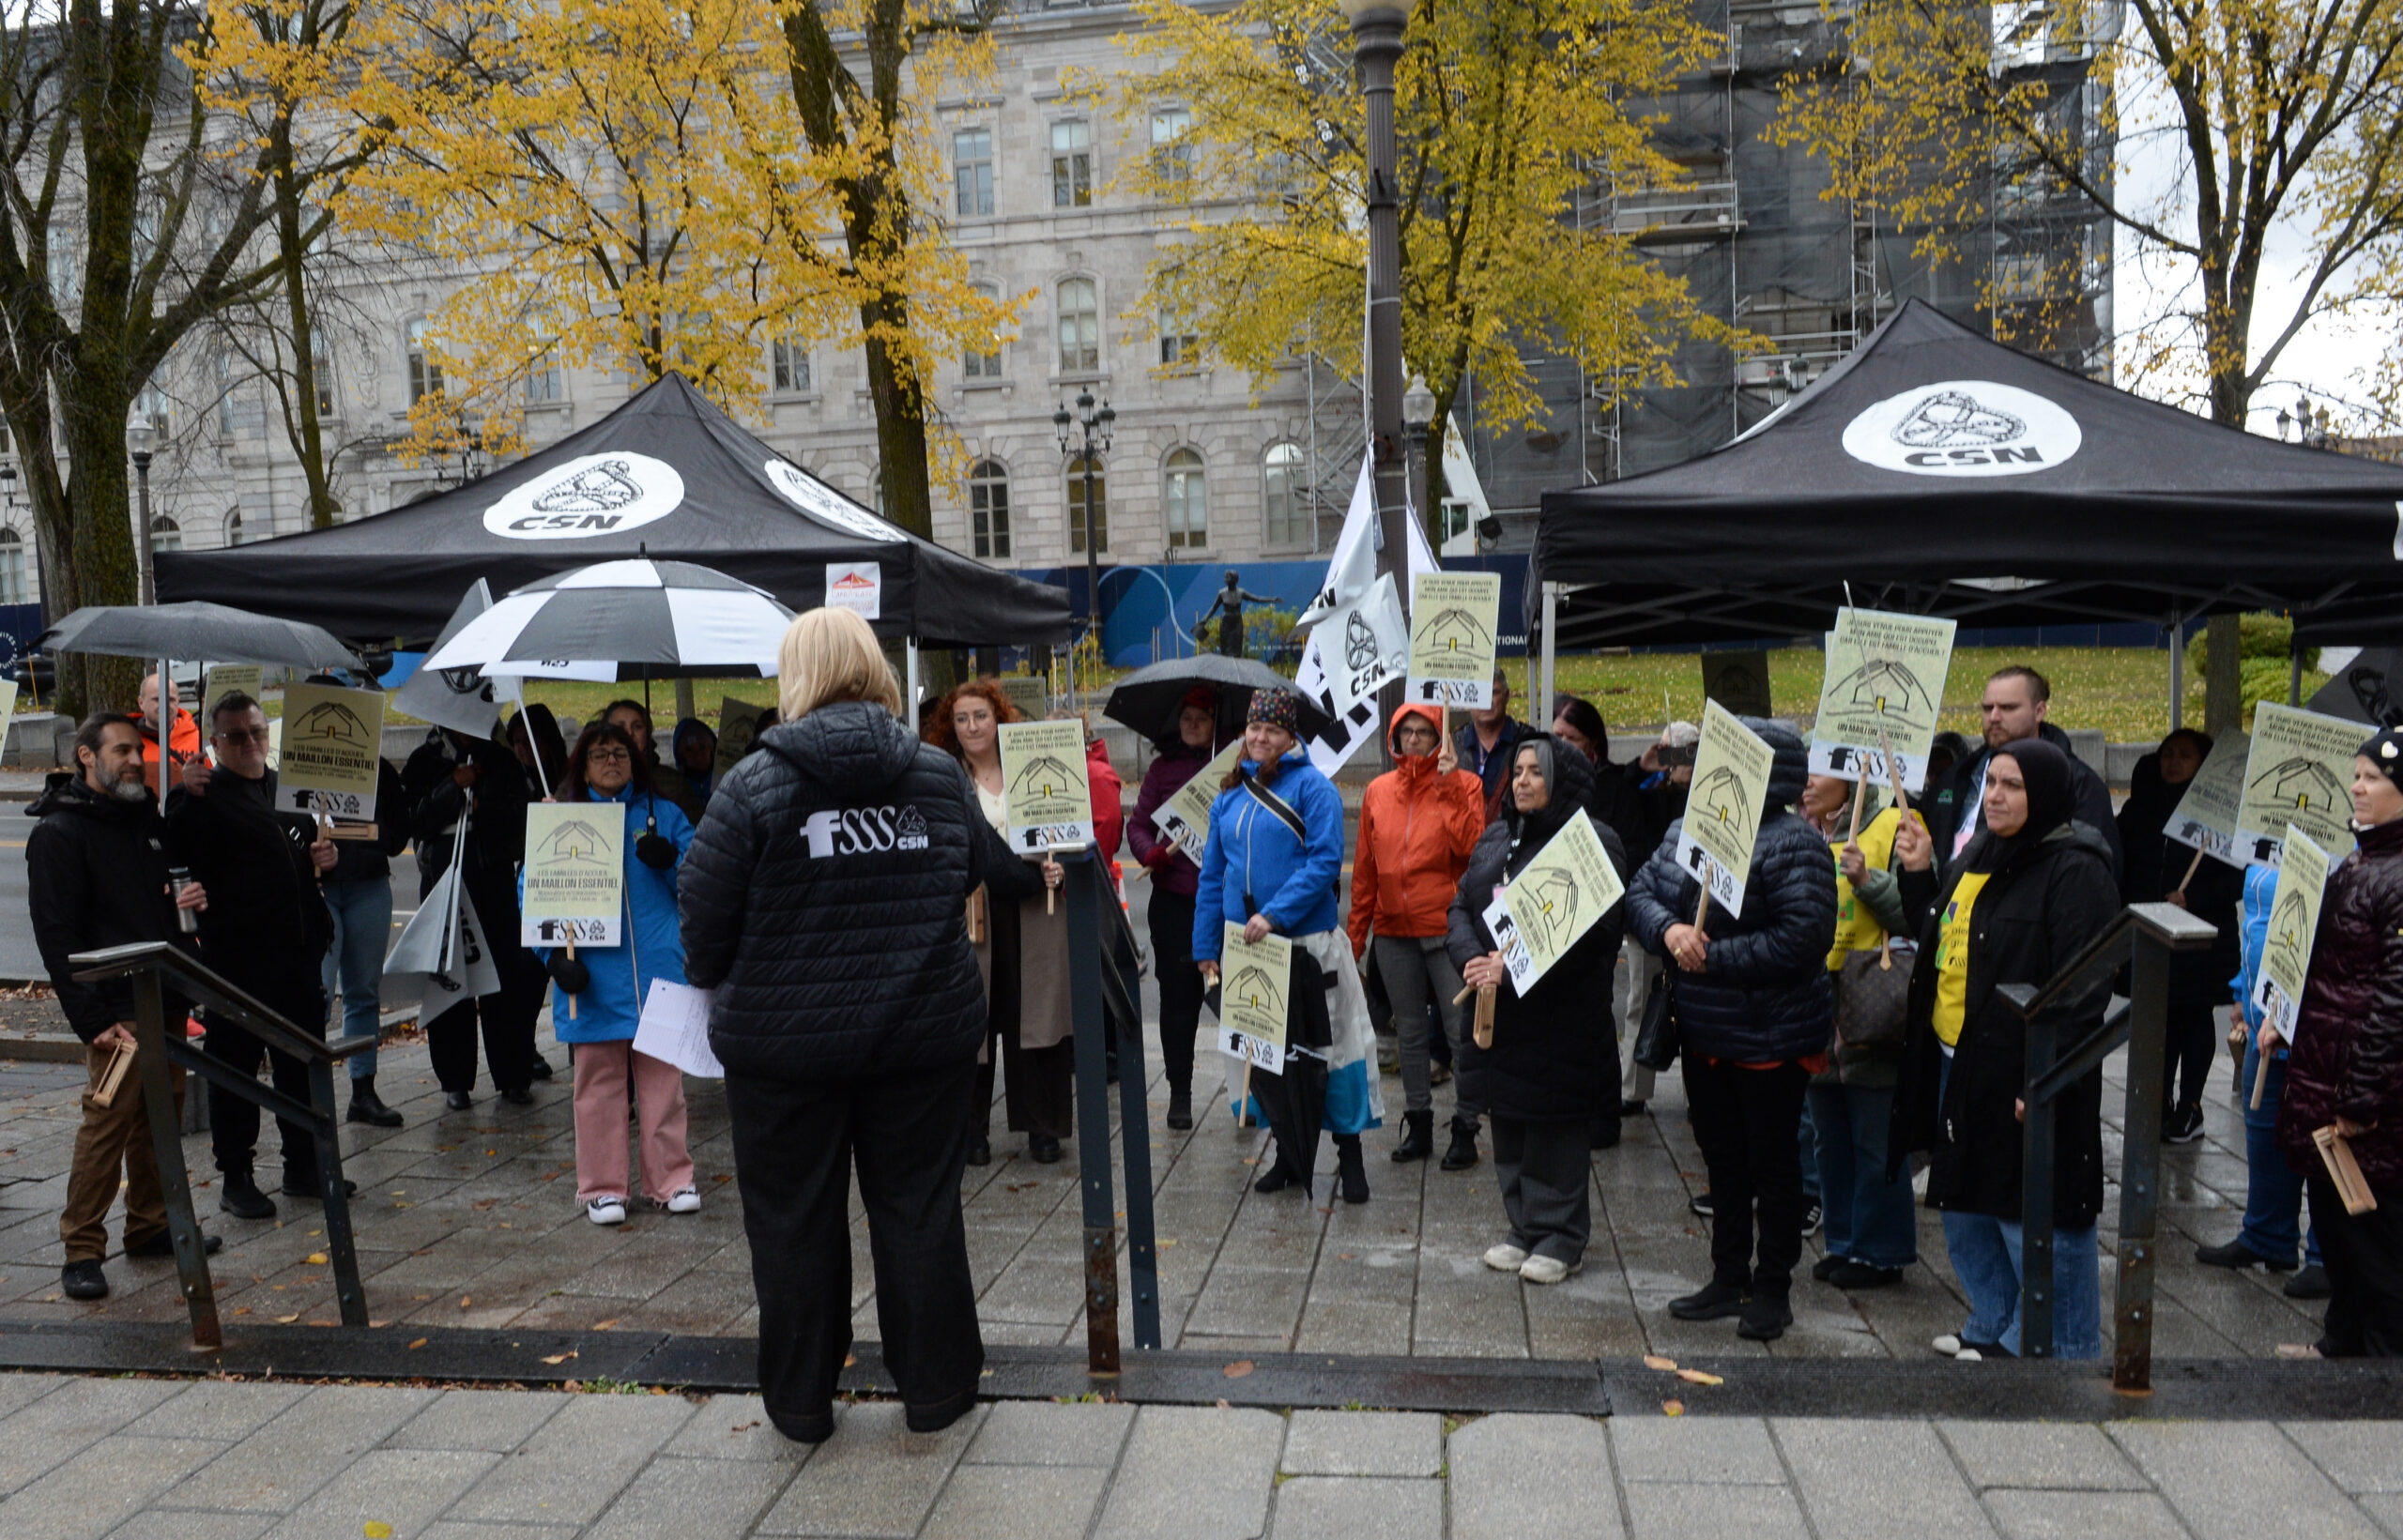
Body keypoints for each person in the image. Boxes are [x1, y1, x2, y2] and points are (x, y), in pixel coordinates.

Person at [680, 606, 993, 1442]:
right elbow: (972, 867)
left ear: (796, 677)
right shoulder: (936, 775)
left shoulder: (750, 787)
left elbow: (703, 928)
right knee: (921, 1212)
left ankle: (801, 1401)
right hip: (922, 1040)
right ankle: (936, 1390)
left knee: (791, 1224)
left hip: (787, 1055)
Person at [1891, 738, 2119, 1361]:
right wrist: (1918, 876)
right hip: (1958, 1057)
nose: (1995, 795)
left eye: (2013, 786)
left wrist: (2048, 1075)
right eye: (1991, 782)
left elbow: (2086, 985)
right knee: (1966, 1203)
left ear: (2044, 794)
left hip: (2025, 1068)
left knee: (2037, 1214)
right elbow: (1938, 937)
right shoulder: (1979, 855)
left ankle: (2060, 1343)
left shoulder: (2077, 868)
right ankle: (1996, 1322)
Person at [1627, 718, 1835, 1342]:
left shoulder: (1795, 842)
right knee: (1721, 1160)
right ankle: (1727, 1274)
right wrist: (1670, 931)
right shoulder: (1690, 829)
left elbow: (1803, 939)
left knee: (1772, 1164)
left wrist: (1711, 955)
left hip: (1772, 1037)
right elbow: (1641, 890)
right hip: (1705, 1033)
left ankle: (1773, 1286)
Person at [28, 714, 221, 1301]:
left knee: (158, 1117)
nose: (136, 759)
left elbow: (164, 908)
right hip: (115, 1009)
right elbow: (56, 936)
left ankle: (150, 1224)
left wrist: (189, 900)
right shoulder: (60, 833)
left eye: (138, 749)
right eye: (121, 750)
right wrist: (90, 1019)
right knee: (107, 1122)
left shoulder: (148, 823)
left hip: (162, 997)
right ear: (87, 757)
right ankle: (81, 1250)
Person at [1449, 736, 1630, 1284]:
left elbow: (1598, 931)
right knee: (1509, 1122)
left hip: (1560, 1018)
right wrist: (1473, 960)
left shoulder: (1592, 843)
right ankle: (1523, 1226)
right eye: (1519, 770)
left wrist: (1517, 966)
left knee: (1554, 1127)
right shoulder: (1496, 837)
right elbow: (1461, 905)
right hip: (1498, 1016)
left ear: (1563, 780)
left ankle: (1561, 1236)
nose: (1523, 780)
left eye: (1536, 771)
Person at [1196, 688, 1385, 1202]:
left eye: (1272, 731)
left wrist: (1275, 914)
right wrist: (1205, 945)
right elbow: (1213, 877)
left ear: (1290, 736)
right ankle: (1286, 1153)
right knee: (1267, 1058)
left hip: (1307, 946)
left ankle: (1350, 1158)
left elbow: (1324, 863)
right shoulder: (1228, 797)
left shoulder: (1314, 789)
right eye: (1254, 729)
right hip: (1248, 950)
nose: (1261, 738)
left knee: (1331, 1054)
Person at [169, 692, 341, 1221]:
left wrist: (325, 856)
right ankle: (236, 1176)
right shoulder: (201, 794)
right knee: (235, 1068)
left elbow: (308, 852)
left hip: (297, 953)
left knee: (300, 1063)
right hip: (238, 960)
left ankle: (303, 1165)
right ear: (215, 742)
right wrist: (182, 792)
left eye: (258, 732)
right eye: (236, 735)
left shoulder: (287, 788)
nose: (250, 743)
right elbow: (171, 848)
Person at [534, 722, 700, 1225]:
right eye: (601, 754)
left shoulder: (664, 815)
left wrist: (671, 861)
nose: (612, 761)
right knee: (597, 1084)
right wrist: (553, 959)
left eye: (621, 753)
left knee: (663, 1085)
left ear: (637, 760)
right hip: (593, 977)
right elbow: (532, 893)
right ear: (581, 764)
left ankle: (671, 1181)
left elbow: (701, 879)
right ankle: (602, 1187)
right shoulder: (559, 819)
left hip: (658, 973)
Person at [2273, 729, 2403, 1356]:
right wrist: (2279, 1009)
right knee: (2339, 1229)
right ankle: (2340, 1344)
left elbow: (2395, 1003)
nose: (2357, 786)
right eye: (2355, 775)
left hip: (2369, 1107)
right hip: (2328, 1081)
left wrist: (2359, 1097)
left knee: (2377, 1245)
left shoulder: (2395, 876)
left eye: (2374, 779)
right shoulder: (2360, 860)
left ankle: (2382, 1376)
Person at [924, 680, 1064, 1164]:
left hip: (1033, 906)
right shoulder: (945, 778)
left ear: (998, 717)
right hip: (971, 909)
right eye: (961, 719)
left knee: (1034, 1019)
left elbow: (1065, 827)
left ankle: (1042, 1128)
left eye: (980, 716)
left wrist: (1057, 863)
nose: (971, 727)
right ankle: (971, 1131)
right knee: (971, 1021)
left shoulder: (1029, 769)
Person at [1798, 770, 1929, 1290]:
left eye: (1817, 774)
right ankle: (1845, 1241)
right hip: (1818, 999)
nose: (1805, 784)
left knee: (1874, 1132)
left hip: (1872, 997)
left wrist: (1866, 881)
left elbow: (1920, 913)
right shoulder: (1806, 832)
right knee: (1829, 1134)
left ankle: (1881, 1251)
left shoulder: (1898, 822)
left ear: (1851, 780)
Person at [1347, 704, 1485, 1166]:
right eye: (1405, 731)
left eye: (1423, 731)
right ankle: (1420, 1122)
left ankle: (1465, 1126)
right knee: (1408, 1035)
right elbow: (1365, 870)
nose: (1413, 739)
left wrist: (1448, 787)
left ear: (1439, 736)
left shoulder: (1467, 785)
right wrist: (1355, 937)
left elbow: (1471, 847)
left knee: (1459, 1033)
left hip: (1445, 929)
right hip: (1393, 932)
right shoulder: (1378, 791)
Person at [2194, 861, 2326, 1295]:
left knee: (2322, 1142)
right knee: (2264, 1129)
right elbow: (2257, 925)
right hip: (2264, 1018)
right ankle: (2267, 1234)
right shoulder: (2264, 840)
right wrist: (2241, 993)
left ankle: (2328, 1256)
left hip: (2320, 1023)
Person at [400, 722, 547, 1109]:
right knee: (450, 980)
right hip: (443, 882)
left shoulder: (500, 761)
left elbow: (523, 819)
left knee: (503, 979)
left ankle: (513, 1076)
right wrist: (453, 786)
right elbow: (412, 820)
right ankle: (455, 1080)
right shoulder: (423, 761)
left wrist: (481, 806)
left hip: (492, 882)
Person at [292, 675, 414, 1128]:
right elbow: (280, 826)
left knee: (363, 991)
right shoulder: (295, 766)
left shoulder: (379, 769)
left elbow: (399, 832)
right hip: (318, 893)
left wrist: (366, 840)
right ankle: (309, 1093)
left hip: (367, 889)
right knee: (317, 995)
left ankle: (363, 1090)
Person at [2115, 727, 2241, 1142]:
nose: (2172, 761)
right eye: (2168, 753)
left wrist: (2194, 897)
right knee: (2159, 1017)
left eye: (2185, 755)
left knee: (2194, 1017)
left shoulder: (2220, 817)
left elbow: (2238, 878)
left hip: (2201, 939)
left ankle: (2190, 1104)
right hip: (2151, 931)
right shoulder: (2139, 809)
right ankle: (2159, 1099)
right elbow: (2122, 863)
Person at [1922, 665, 2120, 877]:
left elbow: (2097, 873)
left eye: (2007, 708)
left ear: (2039, 711)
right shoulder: (1958, 775)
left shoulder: (2079, 783)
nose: (1994, 717)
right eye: (1987, 708)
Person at [1126, 688, 1220, 1129]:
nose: (1194, 725)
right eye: (1188, 718)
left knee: (1240, 1000)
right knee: (1178, 1002)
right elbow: (1139, 824)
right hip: (1176, 904)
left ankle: (1256, 1092)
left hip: (1227, 905)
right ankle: (1179, 1091)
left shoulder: (1236, 768)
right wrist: (1150, 854)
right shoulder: (1163, 770)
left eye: (1203, 718)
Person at [1619, 721, 1697, 1120]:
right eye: (1664, 750)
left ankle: (1694, 1096)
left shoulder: (1699, 796)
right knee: (1640, 1000)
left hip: (1691, 920)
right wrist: (1643, 768)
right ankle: (1634, 1090)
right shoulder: (1646, 792)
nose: (1669, 760)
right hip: (1649, 919)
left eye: (1677, 752)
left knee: (1693, 1008)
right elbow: (1617, 800)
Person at [604, 698, 700, 823]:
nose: (629, 733)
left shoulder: (674, 783)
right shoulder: (592, 779)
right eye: (620, 727)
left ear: (647, 733)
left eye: (637, 727)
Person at [1451, 671, 1527, 819]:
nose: (1486, 701)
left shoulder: (1527, 740)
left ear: (1507, 696)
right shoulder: (1452, 745)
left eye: (1493, 693)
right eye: (1478, 692)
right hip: (1464, 836)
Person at [136, 671, 201, 796]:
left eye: (170, 699)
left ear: (178, 702)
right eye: (157, 699)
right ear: (141, 703)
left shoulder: (198, 738)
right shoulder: (128, 742)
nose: (164, 705)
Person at [1199, 570, 1275, 658]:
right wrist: (1204, 620)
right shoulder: (1222, 593)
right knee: (1225, 648)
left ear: (1234, 579)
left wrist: (1272, 599)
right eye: (1225, 577)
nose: (1225, 579)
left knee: (1237, 646)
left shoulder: (1241, 592)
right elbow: (1214, 608)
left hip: (1237, 622)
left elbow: (1257, 599)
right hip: (1226, 623)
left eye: (1228, 577)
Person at [671, 717, 719, 812]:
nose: (698, 755)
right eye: (689, 750)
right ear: (680, 756)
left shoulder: (726, 782)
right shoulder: (675, 789)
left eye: (702, 747)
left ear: (712, 750)